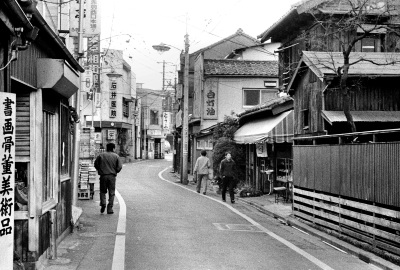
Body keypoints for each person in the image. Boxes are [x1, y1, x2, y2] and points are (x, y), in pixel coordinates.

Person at [94, 143, 123, 214]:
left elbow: (96, 164)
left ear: (107, 148)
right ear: (113, 148)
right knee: (111, 192)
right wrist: (115, 171)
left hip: (103, 176)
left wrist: (100, 170)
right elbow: (119, 167)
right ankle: (109, 208)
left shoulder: (101, 155)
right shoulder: (116, 156)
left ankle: (103, 204)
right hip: (112, 176)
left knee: (102, 191)